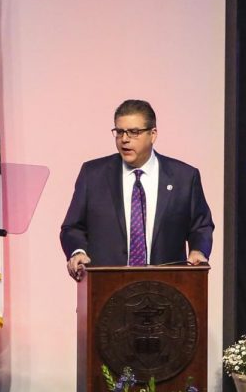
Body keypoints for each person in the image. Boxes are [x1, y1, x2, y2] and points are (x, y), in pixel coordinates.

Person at [60, 100, 215, 281]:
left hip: (166, 290)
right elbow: (72, 227)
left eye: (134, 132)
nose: (124, 139)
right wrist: (77, 252)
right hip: (105, 289)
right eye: (119, 132)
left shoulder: (184, 177)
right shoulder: (93, 174)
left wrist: (198, 250)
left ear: (153, 134)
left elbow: (201, 225)